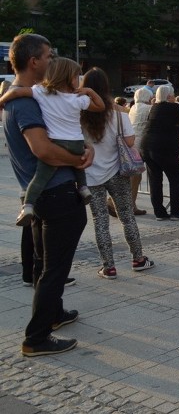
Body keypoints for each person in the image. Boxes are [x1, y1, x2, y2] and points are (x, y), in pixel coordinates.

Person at [5, 33, 93, 356]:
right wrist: (79, 159)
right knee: (54, 269)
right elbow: (43, 150)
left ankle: (53, 314)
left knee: (46, 264)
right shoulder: (26, 102)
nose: (52, 61)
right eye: (49, 56)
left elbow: (60, 133)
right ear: (34, 62)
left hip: (46, 196)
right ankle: (36, 337)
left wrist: (83, 149)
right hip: (55, 195)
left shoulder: (20, 97)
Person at [0, 57, 105, 227]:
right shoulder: (78, 98)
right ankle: (84, 188)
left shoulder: (42, 92)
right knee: (79, 167)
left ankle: (27, 206)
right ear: (69, 77)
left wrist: (2, 100)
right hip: (78, 143)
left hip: (56, 142)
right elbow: (100, 106)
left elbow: (17, 92)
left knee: (40, 178)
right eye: (77, 76)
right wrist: (89, 91)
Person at [80, 68, 154, 279]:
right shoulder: (118, 115)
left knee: (100, 220)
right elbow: (130, 142)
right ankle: (138, 258)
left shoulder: (79, 116)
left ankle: (108, 266)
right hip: (117, 172)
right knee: (126, 217)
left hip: (91, 175)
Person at [140, 85, 179, 221]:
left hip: (147, 146)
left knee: (155, 180)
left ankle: (159, 213)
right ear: (169, 96)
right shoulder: (175, 107)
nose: (174, 96)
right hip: (165, 147)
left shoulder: (154, 107)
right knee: (175, 178)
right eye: (173, 94)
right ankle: (175, 212)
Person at [127, 87, 154, 215]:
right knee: (135, 177)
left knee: (134, 176)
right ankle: (129, 205)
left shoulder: (133, 108)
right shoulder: (148, 108)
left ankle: (131, 204)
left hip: (130, 144)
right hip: (141, 145)